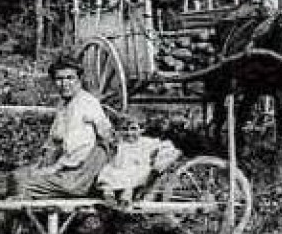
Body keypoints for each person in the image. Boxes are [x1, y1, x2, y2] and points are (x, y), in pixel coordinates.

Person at [9, 54, 116, 199]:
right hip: (67, 168)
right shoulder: (64, 105)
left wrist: (52, 169)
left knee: (22, 182)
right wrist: (41, 165)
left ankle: (27, 217)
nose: (64, 83)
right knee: (16, 176)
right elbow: (53, 141)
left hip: (78, 174)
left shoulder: (85, 104)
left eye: (70, 78)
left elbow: (79, 149)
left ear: (79, 79)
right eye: (59, 79)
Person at [95, 114, 181, 203]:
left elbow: (167, 146)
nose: (129, 133)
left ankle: (127, 194)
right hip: (120, 170)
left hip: (138, 170)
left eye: (133, 129)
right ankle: (109, 195)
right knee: (108, 173)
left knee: (137, 175)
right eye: (124, 129)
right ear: (120, 131)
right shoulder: (120, 143)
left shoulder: (146, 142)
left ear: (141, 130)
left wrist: (160, 158)